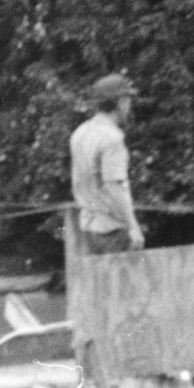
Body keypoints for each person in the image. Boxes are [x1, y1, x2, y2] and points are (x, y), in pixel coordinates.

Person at [69, 72, 142, 255]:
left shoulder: (80, 133)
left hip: (88, 228)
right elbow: (113, 186)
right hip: (113, 230)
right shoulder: (112, 138)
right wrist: (133, 226)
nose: (129, 105)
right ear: (119, 102)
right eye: (127, 99)